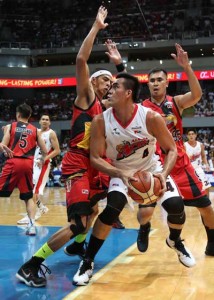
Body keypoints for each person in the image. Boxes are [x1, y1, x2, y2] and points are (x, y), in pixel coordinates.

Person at [16, 6, 124, 287]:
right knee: (79, 223)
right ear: (92, 82)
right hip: (78, 164)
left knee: (94, 212)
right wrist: (96, 29)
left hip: (94, 165)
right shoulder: (87, 97)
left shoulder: (105, 108)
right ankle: (31, 265)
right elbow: (80, 58)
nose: (108, 85)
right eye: (105, 80)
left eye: (111, 82)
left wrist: (119, 67)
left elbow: (129, 95)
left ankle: (77, 246)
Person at [72, 72, 195, 286]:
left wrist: (163, 175)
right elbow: (94, 158)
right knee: (112, 208)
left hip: (151, 167)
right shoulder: (100, 120)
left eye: (115, 86)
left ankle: (174, 240)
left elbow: (171, 149)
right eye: (109, 86)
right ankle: (88, 261)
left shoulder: (150, 117)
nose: (109, 89)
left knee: (176, 205)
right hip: (120, 170)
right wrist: (120, 173)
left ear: (128, 93)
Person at [138, 43, 214, 257]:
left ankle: (212, 243)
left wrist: (187, 67)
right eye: (151, 80)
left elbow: (197, 95)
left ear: (166, 82)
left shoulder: (176, 102)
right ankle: (144, 228)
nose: (155, 83)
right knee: (145, 213)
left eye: (159, 79)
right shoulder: (141, 108)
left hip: (180, 165)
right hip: (155, 166)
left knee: (206, 206)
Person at [0, 103, 47, 236]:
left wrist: (4, 144)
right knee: (28, 197)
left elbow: (3, 146)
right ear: (30, 116)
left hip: (13, 162)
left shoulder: (11, 126)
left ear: (18, 115)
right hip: (27, 164)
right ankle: (31, 226)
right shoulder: (36, 130)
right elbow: (44, 150)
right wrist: (41, 160)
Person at [17, 114, 60, 225]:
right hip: (32, 163)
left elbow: (57, 150)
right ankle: (41, 207)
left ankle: (31, 215)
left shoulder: (51, 133)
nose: (45, 121)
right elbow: (22, 128)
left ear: (49, 122)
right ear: (39, 121)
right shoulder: (36, 131)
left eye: (47, 119)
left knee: (35, 190)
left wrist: (44, 159)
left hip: (42, 164)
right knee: (29, 189)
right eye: (43, 119)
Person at [184, 128, 211, 196]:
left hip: (198, 168)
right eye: (189, 134)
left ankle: (208, 203)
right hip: (188, 169)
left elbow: (203, 156)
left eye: (193, 134)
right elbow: (182, 159)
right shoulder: (184, 145)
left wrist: (206, 164)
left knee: (206, 186)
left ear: (196, 135)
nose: (191, 136)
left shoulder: (200, 145)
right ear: (187, 136)